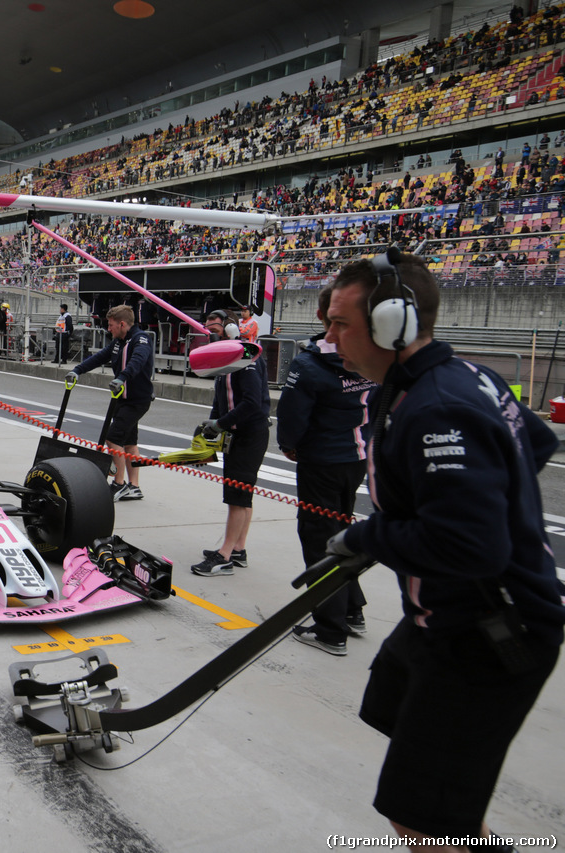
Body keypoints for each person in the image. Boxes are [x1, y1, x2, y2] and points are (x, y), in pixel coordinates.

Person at [323, 251, 562, 850]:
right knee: (390, 705)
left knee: (417, 815)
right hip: (445, 616)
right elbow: (534, 440)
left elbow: (467, 548)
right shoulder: (457, 376)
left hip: (492, 629)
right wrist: (478, 494)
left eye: (340, 325)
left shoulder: (438, 408)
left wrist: (366, 535)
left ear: (392, 326)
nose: (329, 340)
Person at [277, 285, 375, 655]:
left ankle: (330, 628)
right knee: (342, 531)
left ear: (321, 317)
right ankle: (351, 609)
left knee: (320, 538)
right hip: (358, 457)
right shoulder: (369, 355)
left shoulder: (310, 363)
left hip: (322, 461)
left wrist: (289, 445)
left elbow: (291, 416)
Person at [191, 309, 270, 576]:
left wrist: (220, 424)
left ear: (230, 330)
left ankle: (224, 555)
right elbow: (220, 399)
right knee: (242, 495)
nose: (209, 334)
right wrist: (209, 430)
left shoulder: (247, 355)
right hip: (236, 433)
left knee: (237, 495)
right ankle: (238, 549)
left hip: (250, 435)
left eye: (213, 329)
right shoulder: (225, 358)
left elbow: (251, 403)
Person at [66, 304, 153, 501]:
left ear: (122, 324)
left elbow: (137, 361)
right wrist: (77, 370)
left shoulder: (140, 340)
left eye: (111, 325)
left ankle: (118, 484)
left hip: (136, 400)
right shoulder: (117, 342)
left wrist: (122, 377)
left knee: (113, 438)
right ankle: (134, 486)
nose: (109, 328)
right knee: (129, 443)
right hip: (122, 399)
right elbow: (99, 358)